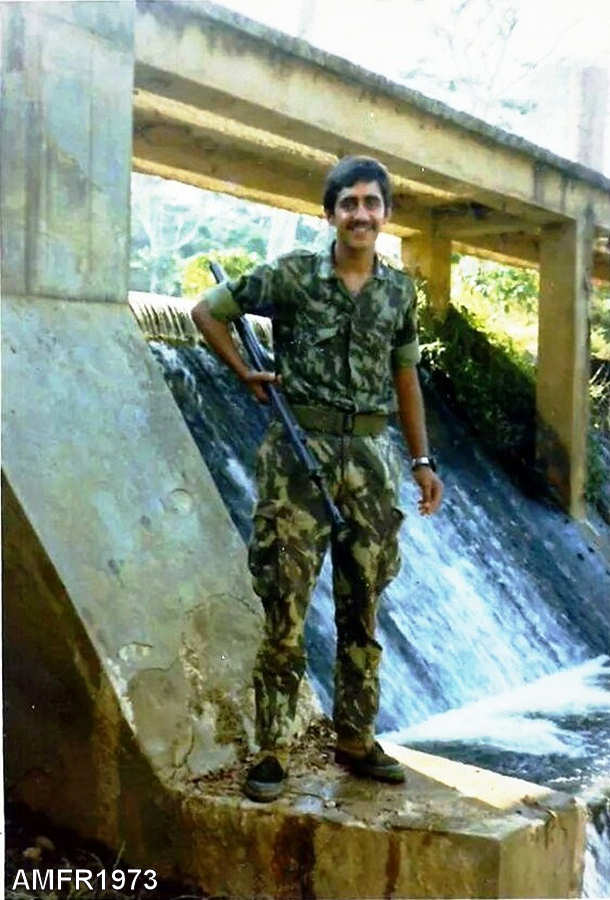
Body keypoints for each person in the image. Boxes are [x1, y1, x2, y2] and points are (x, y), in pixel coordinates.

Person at [192, 156, 443, 802]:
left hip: (371, 461)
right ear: (330, 213)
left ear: (386, 214)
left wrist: (421, 461)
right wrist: (244, 373)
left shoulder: (399, 293)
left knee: (364, 605)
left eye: (371, 203)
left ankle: (356, 737)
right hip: (297, 455)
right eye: (348, 203)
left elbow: (405, 376)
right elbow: (208, 310)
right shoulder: (293, 275)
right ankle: (273, 749)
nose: (361, 213)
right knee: (286, 604)